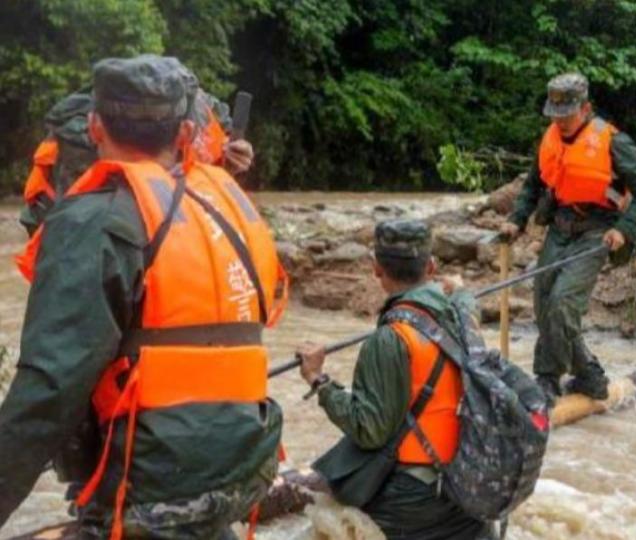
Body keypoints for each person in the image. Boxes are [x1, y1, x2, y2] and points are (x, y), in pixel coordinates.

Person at [0, 54, 285, 539]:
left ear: (93, 127)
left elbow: (47, 393)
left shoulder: (93, 220)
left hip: (150, 485)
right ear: (184, 136)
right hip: (244, 470)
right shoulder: (228, 209)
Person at [297, 219, 494, 539]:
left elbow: (369, 429)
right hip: (468, 486)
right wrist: (459, 289)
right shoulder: (461, 317)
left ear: (377, 269)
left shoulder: (389, 340)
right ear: (430, 267)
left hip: (417, 498)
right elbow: (468, 304)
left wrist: (318, 379)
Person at [499, 73, 636, 404]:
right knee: (545, 303)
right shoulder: (551, 139)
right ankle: (588, 374)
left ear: (585, 108)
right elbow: (534, 184)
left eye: (567, 115)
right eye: (555, 115)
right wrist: (516, 220)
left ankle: (547, 378)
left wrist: (625, 228)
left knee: (562, 304)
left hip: (597, 231)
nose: (560, 122)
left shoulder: (613, 141)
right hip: (559, 228)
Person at [18, 69, 253, 237]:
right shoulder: (94, 138)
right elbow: (82, 228)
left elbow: (220, 157)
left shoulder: (206, 111)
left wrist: (233, 161)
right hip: (69, 222)